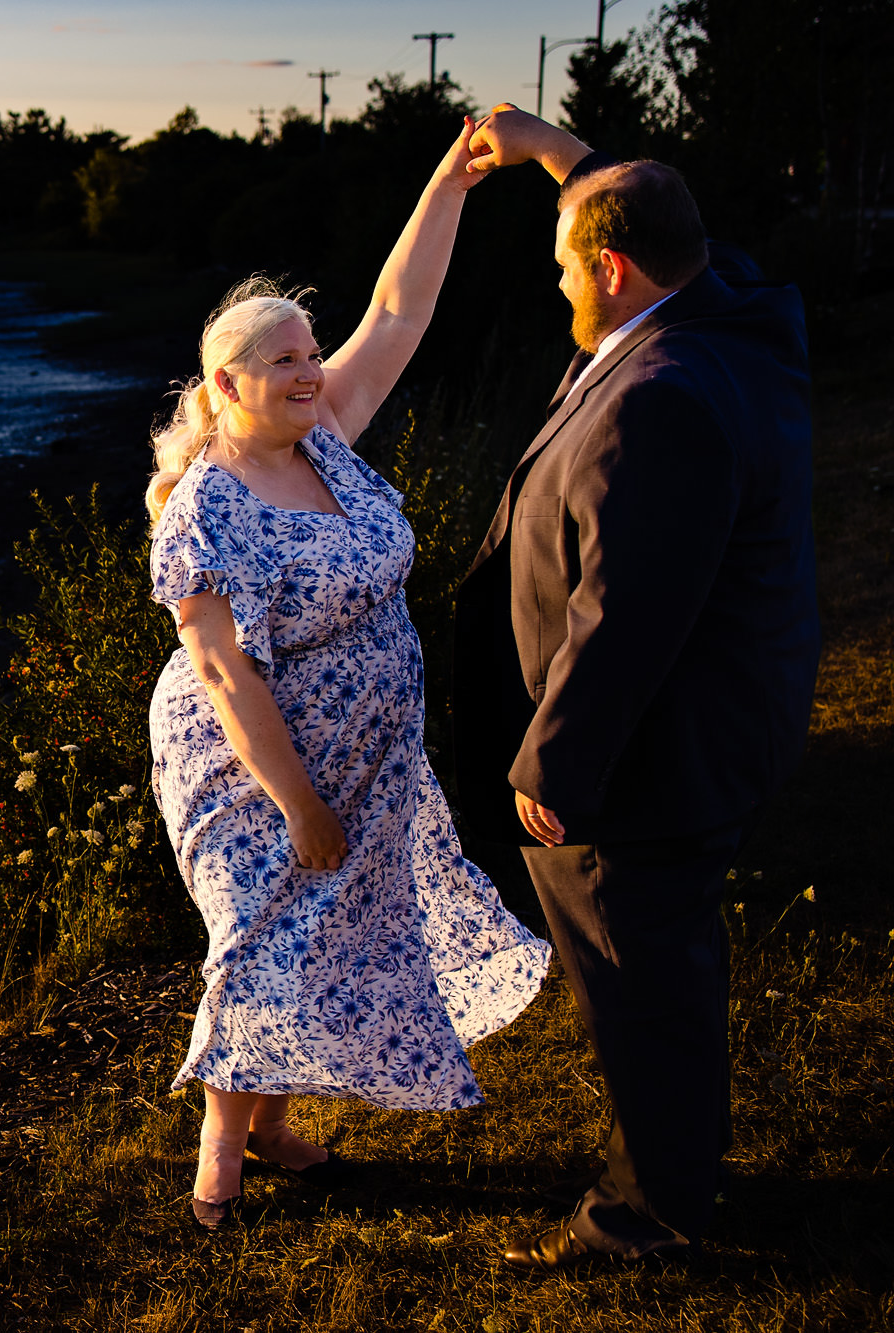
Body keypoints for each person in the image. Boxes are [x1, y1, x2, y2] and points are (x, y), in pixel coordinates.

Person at [146, 118, 552, 1228]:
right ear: (225, 383)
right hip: (244, 760)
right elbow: (224, 676)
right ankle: (219, 1154)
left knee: (324, 931)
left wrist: (450, 180)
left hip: (365, 751)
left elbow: (400, 310)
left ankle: (268, 1124)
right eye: (282, 358)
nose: (307, 368)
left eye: (307, 353)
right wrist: (297, 801)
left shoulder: (322, 432)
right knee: (258, 930)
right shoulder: (204, 507)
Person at [454, 107, 818, 1272]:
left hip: (645, 755)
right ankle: (685, 1155)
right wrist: (560, 156)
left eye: (564, 260)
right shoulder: (739, 315)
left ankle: (655, 1211)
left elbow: (628, 614)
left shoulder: (655, 395)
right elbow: (669, 233)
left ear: (608, 269)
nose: (554, 277)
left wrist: (554, 765)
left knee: (636, 978)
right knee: (663, 960)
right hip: (718, 721)